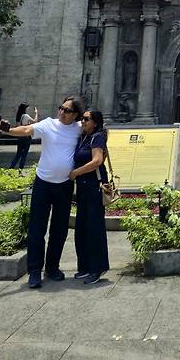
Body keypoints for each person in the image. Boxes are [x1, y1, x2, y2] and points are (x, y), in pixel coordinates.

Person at [0, 96, 84, 289]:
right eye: (61, 108)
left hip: (64, 185)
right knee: (37, 229)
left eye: (67, 110)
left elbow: (96, 129)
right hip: (43, 183)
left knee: (59, 229)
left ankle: (52, 268)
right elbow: (28, 130)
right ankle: (35, 271)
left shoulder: (78, 128)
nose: (62, 112)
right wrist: (9, 130)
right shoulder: (48, 124)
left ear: (76, 115)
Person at [69, 109, 110, 285]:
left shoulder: (97, 137)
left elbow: (97, 161)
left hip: (94, 187)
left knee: (94, 229)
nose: (82, 122)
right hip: (83, 188)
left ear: (95, 122)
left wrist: (75, 172)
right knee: (82, 228)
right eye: (82, 119)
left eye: (86, 119)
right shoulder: (84, 137)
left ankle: (97, 268)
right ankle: (85, 267)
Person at [9, 103, 38, 169]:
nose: (28, 109)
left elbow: (17, 126)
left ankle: (11, 168)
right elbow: (35, 121)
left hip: (20, 136)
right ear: (25, 108)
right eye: (27, 107)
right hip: (26, 136)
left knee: (18, 154)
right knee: (24, 154)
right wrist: (36, 113)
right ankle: (20, 169)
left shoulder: (19, 115)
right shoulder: (25, 115)